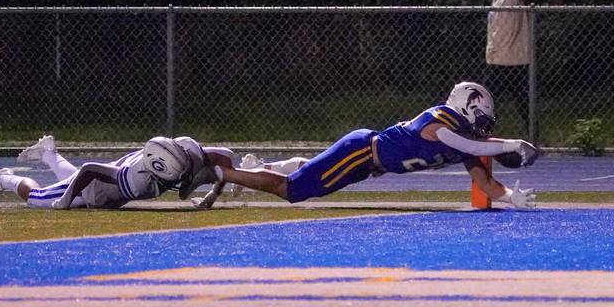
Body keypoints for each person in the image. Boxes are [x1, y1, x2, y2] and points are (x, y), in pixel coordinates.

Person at [190, 82, 538, 209]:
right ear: (467, 106)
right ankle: (223, 172)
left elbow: (485, 184)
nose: (483, 128)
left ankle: (251, 169)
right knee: (292, 191)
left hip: (366, 164)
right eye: (481, 118)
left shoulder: (466, 142)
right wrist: (511, 143)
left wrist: (512, 197)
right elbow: (463, 142)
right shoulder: (441, 120)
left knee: (306, 173)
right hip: (359, 152)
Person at [0, 135, 235, 209]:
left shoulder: (187, 151)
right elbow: (89, 170)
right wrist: (65, 202)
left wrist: (211, 196)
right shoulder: (138, 181)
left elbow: (224, 159)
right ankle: (5, 179)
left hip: (115, 173)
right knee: (39, 198)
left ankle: (48, 152)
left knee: (69, 180)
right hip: (96, 188)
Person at [485, 0, 531, 138]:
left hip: (504, 59)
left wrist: (494, 53)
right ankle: (532, 132)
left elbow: (502, 30)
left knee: (488, 98)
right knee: (519, 97)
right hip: (512, 57)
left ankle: (483, 132)